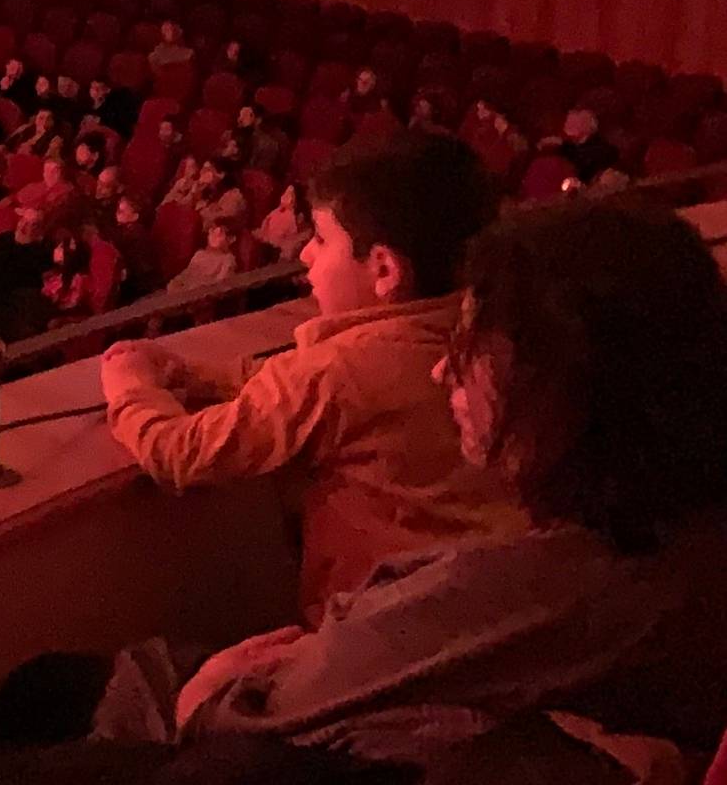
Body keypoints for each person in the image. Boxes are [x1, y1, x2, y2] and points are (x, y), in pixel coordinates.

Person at [0, 197, 727, 783]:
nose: (440, 373)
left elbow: (275, 706)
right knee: (44, 688)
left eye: (474, 358)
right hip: (336, 688)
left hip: (270, 729)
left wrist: (206, 699)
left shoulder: (563, 583)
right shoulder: (678, 534)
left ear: (571, 393)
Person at [98, 133, 521, 622]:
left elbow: (184, 452)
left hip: (370, 628)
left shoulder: (338, 372)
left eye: (320, 239)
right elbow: (283, 382)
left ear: (384, 270)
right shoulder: (480, 329)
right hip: (462, 612)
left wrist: (128, 386)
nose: (305, 256)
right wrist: (189, 374)